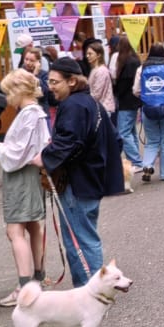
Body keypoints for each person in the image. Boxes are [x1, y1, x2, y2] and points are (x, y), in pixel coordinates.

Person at [41, 58, 125, 286]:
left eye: (55, 82)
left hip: (77, 182)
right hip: (91, 180)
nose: (50, 86)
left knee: (80, 241)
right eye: (49, 81)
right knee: (85, 236)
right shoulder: (90, 102)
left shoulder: (73, 105)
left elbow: (68, 142)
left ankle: (92, 291)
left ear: (71, 81)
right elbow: (115, 140)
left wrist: (45, 157)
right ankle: (95, 289)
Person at [0, 70, 49, 308]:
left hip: (21, 176)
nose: (7, 98)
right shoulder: (36, 113)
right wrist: (1, 146)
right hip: (32, 174)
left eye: (8, 92)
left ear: (18, 91)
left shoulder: (28, 114)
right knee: (33, 225)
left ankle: (25, 287)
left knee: (15, 230)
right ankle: (38, 277)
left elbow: (18, 153)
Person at [136, 43, 164, 184]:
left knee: (152, 140)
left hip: (148, 108)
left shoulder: (141, 68)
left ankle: (148, 165)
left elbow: (136, 90)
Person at [110, 34, 143, 177]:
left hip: (126, 101)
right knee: (131, 131)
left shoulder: (127, 62)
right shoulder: (135, 60)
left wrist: (116, 91)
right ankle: (135, 159)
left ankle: (136, 161)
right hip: (134, 100)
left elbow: (123, 84)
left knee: (123, 132)